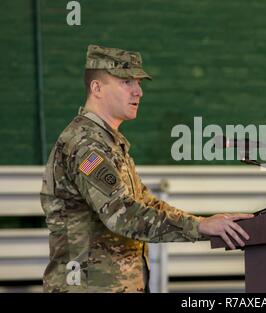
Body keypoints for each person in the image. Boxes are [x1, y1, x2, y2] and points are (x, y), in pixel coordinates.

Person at [40, 44, 253, 293]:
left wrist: (204, 223)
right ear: (96, 88)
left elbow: (146, 203)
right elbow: (123, 214)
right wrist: (199, 227)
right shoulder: (86, 146)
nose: (138, 92)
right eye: (126, 82)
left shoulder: (108, 142)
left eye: (139, 83)